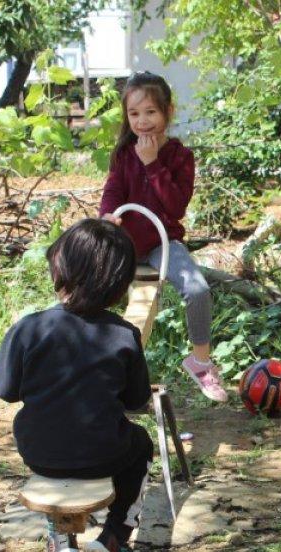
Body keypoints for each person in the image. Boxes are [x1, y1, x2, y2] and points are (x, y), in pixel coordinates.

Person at [0, 219, 152, 552]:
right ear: (118, 283)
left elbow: (4, 390)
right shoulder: (124, 335)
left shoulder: (28, 329)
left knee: (53, 433)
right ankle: (116, 535)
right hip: (105, 454)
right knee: (139, 445)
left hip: (40, 454)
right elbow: (135, 400)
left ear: (61, 271)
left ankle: (60, 541)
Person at [98, 71, 227, 403]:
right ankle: (90, 365)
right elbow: (113, 192)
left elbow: (176, 206)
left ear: (168, 112)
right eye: (134, 113)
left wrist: (153, 164)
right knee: (93, 293)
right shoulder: (123, 154)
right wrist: (108, 216)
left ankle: (200, 361)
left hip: (161, 243)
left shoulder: (180, 156)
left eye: (151, 112)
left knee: (197, 290)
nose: (142, 122)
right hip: (124, 243)